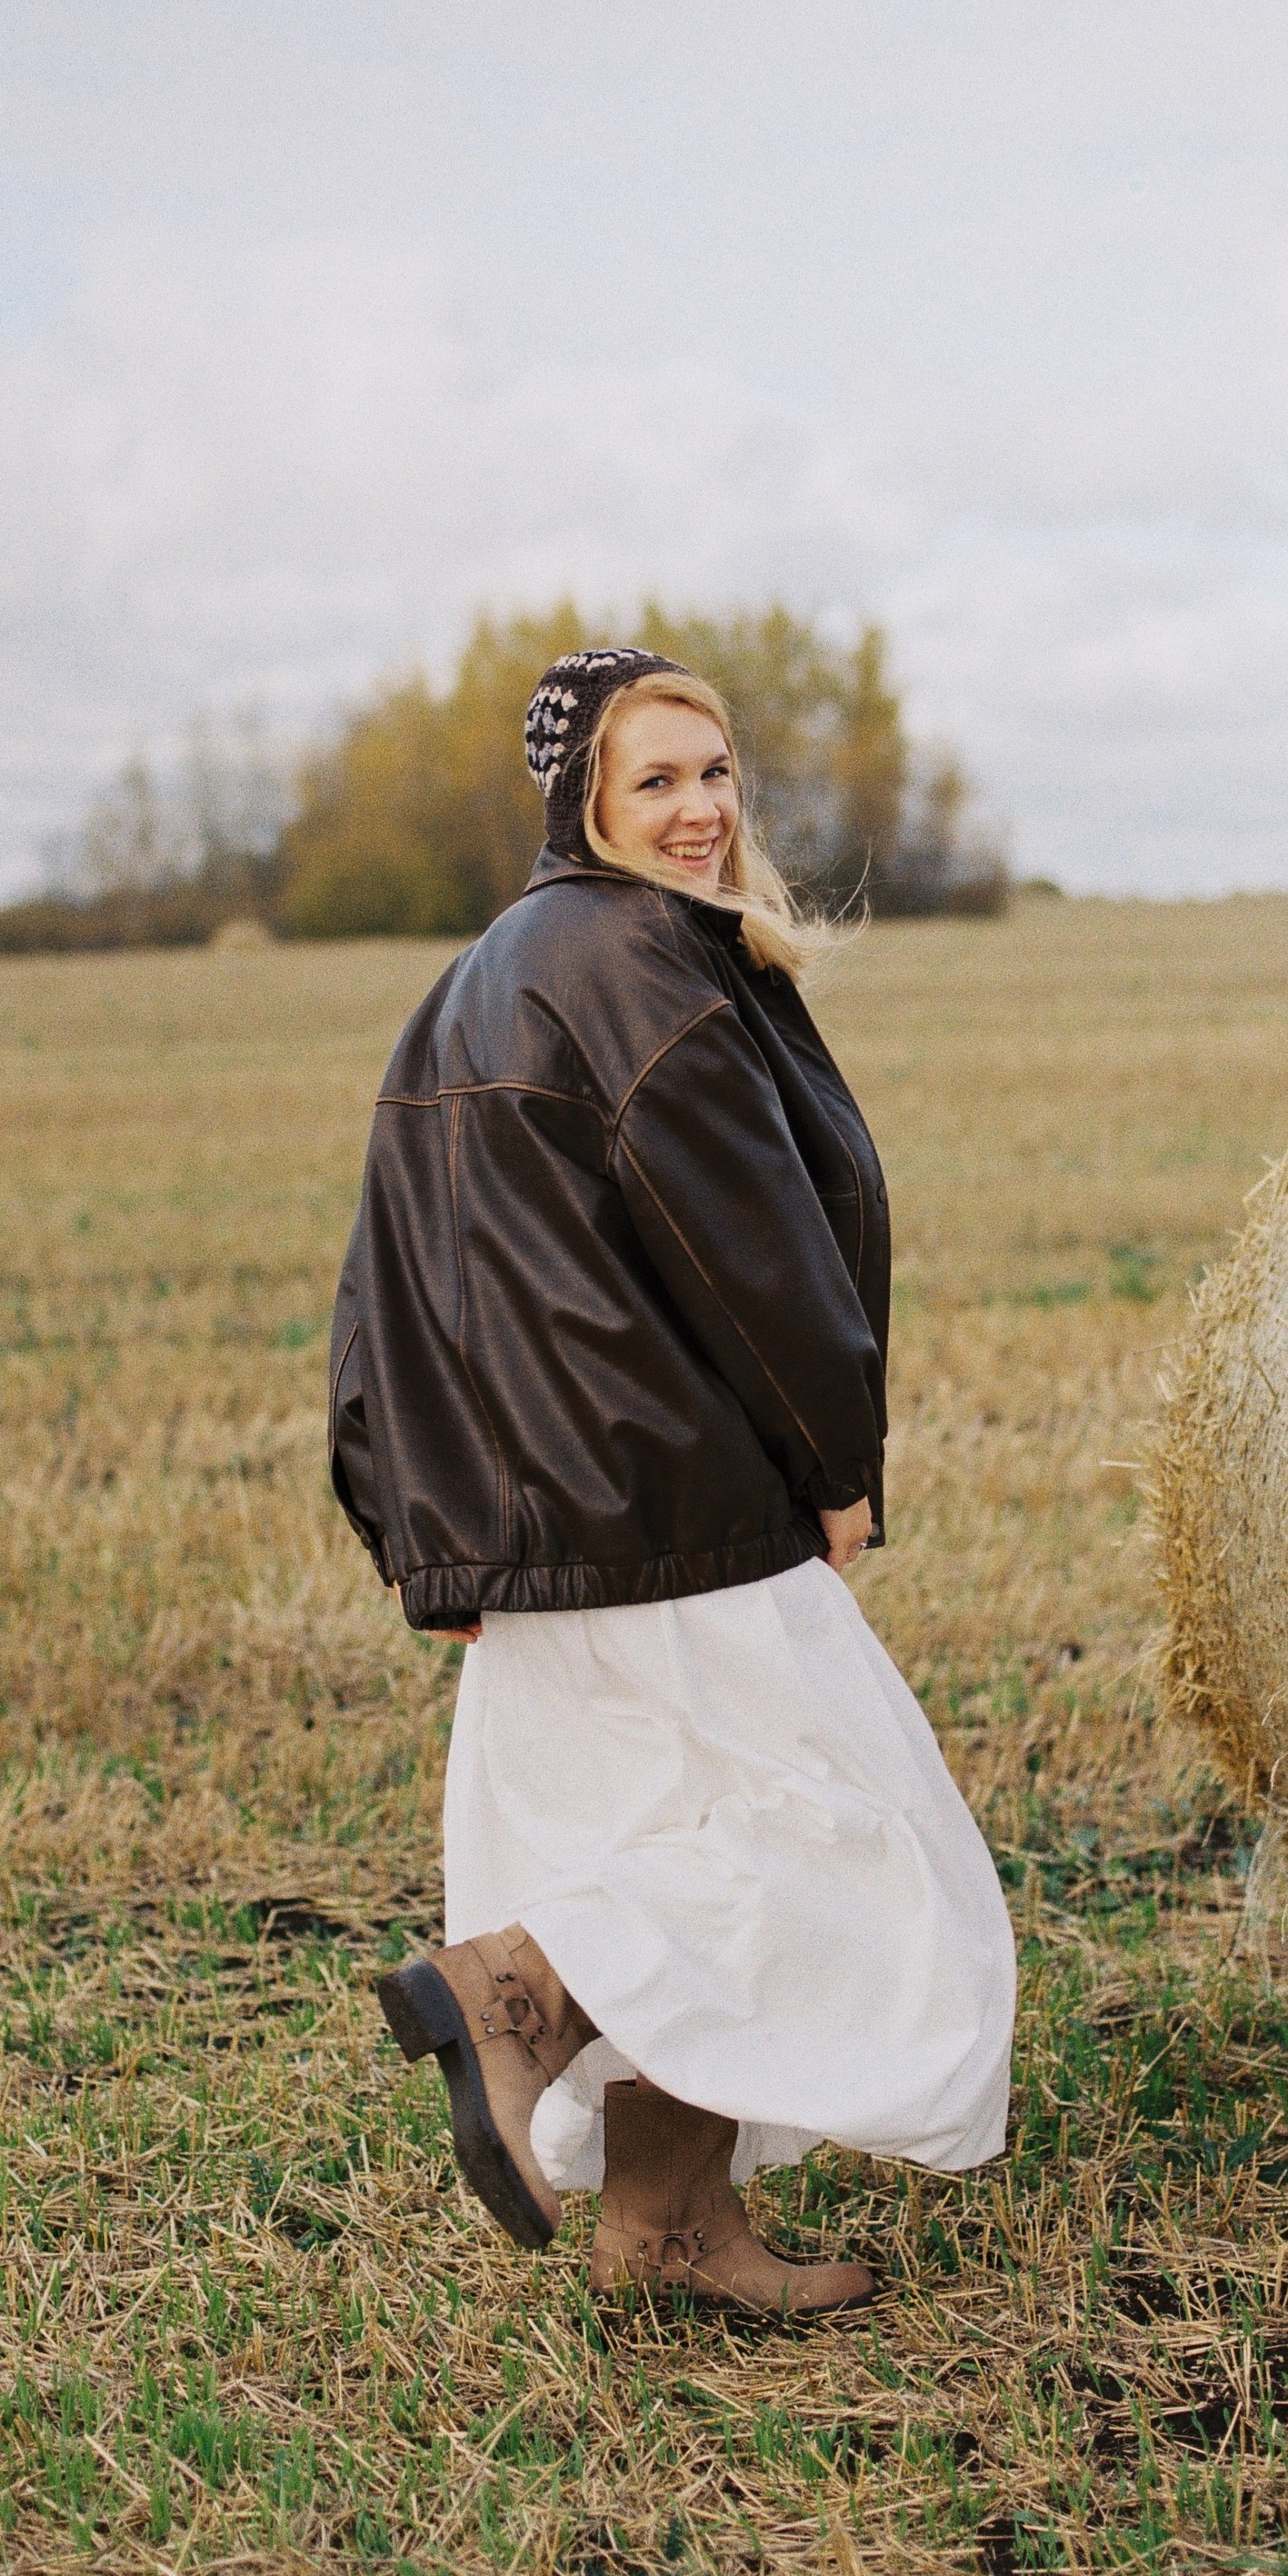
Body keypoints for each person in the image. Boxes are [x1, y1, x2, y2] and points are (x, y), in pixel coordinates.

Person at [329, 646, 1016, 2316]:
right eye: (656, 781)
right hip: (668, 1501)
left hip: (545, 1528)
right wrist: (836, 1466)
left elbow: (376, 1294)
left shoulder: (486, 974)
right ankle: (524, 1987)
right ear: (583, 802)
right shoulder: (639, 961)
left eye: (715, 773)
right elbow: (757, 1257)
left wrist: (425, 1537)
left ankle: (669, 2226)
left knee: (673, 1837)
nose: (701, 809)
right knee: (858, 1842)